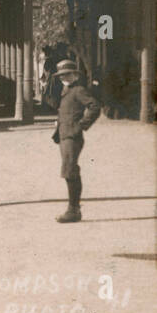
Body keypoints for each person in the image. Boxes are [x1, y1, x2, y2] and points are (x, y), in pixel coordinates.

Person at [51, 59, 100, 223]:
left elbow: (94, 106)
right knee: (69, 170)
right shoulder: (66, 89)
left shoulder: (78, 90)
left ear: (74, 74)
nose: (63, 78)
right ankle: (73, 209)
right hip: (65, 135)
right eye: (60, 76)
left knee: (70, 169)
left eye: (66, 74)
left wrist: (82, 125)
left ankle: (73, 210)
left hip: (72, 135)